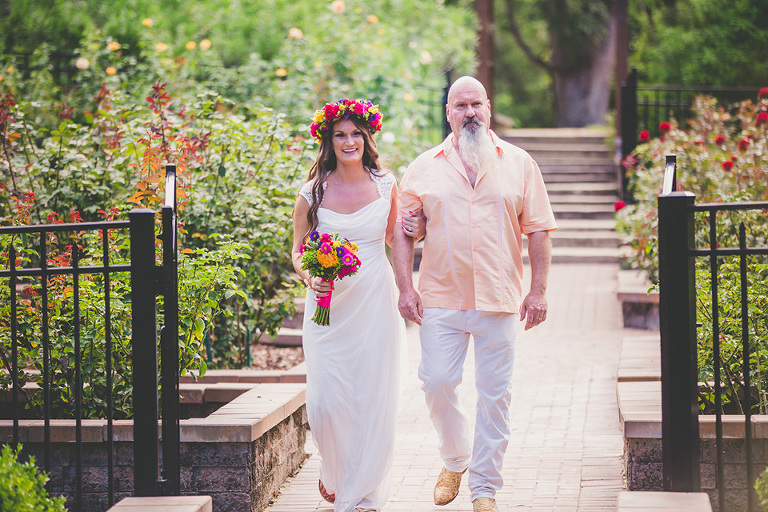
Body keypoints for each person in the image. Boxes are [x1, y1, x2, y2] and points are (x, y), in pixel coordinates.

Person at [392, 76, 557, 512]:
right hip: (440, 297)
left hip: (500, 297)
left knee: (495, 394)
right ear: (448, 113)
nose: (469, 112)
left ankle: (484, 488)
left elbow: (538, 228)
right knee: (437, 382)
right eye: (460, 105)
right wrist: (405, 287)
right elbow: (404, 232)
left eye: (475, 104)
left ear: (488, 107)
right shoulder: (424, 166)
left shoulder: (519, 163)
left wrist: (537, 291)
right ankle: (456, 458)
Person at [291, 98, 424, 512]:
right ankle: (334, 474)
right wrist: (309, 274)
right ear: (328, 142)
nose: (349, 141)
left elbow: (395, 239)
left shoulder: (387, 184)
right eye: (340, 135)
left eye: (356, 134)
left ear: (367, 138)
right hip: (326, 308)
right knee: (326, 403)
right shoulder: (312, 191)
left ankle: (361, 495)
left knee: (370, 397)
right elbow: (297, 249)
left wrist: (410, 278)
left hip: (373, 303)